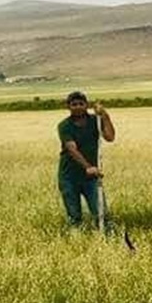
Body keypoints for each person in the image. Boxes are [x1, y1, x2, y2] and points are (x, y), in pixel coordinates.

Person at [56, 91, 116, 228]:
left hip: (91, 177)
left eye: (81, 104)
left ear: (86, 105)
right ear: (68, 106)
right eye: (74, 104)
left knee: (101, 212)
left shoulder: (95, 120)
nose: (77, 107)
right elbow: (72, 149)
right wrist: (88, 167)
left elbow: (110, 137)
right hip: (69, 177)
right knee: (74, 216)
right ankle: (76, 241)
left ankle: (106, 239)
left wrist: (105, 116)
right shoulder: (65, 125)